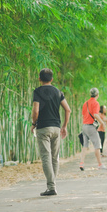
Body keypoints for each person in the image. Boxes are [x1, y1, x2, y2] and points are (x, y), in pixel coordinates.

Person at [31, 68, 71, 196]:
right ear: (52, 79)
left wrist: (33, 124)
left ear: (39, 79)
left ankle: (51, 187)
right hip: (56, 128)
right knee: (54, 158)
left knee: (46, 157)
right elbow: (68, 109)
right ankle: (52, 185)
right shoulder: (58, 92)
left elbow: (35, 110)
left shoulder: (37, 92)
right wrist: (64, 126)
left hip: (43, 127)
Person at [79, 88, 107, 170]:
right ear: (97, 95)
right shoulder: (95, 103)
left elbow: (83, 116)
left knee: (85, 145)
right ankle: (100, 164)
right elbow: (95, 114)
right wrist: (102, 123)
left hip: (84, 126)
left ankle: (81, 163)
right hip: (91, 126)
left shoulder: (85, 103)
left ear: (90, 94)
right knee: (97, 145)